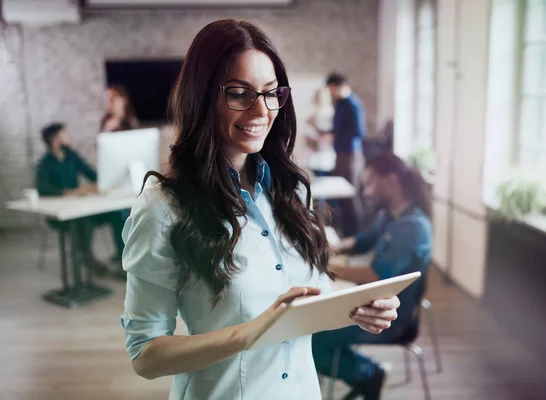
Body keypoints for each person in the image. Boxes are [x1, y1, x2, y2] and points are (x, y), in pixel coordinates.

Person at [120, 19, 401, 400]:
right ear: (201, 96)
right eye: (239, 93)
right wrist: (247, 333)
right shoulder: (164, 208)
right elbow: (145, 355)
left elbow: (309, 293)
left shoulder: (292, 191)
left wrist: (358, 305)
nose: (260, 110)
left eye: (271, 93)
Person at [312, 152, 433, 400]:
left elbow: (374, 275)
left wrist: (325, 266)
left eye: (370, 182)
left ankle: (369, 373)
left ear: (391, 180)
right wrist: (324, 248)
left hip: (392, 320)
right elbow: (361, 241)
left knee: (314, 339)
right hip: (373, 306)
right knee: (315, 324)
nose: (365, 191)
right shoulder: (390, 216)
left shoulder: (413, 227)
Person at [35, 122, 127, 274]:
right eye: (64, 135)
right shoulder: (45, 163)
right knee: (84, 220)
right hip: (60, 215)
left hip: (80, 208)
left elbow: (91, 174)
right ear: (54, 140)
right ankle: (86, 259)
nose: (68, 138)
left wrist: (101, 183)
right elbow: (43, 188)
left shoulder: (72, 156)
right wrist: (70, 192)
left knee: (118, 214)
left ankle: (122, 259)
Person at [326, 72, 367, 237]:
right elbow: (338, 128)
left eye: (332, 90)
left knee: (351, 197)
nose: (331, 94)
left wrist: (334, 136)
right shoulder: (340, 105)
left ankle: (357, 237)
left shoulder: (353, 105)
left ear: (340, 86)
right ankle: (347, 236)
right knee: (341, 198)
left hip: (351, 156)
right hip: (340, 154)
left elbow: (358, 132)